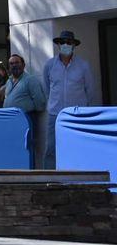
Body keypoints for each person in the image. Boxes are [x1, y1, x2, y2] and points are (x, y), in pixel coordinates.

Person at [43, 30, 99, 168]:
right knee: (51, 148)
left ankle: (78, 175)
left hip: (77, 115)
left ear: (74, 45)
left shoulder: (83, 65)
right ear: (58, 45)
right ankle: (49, 179)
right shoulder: (49, 65)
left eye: (69, 42)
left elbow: (90, 90)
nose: (65, 45)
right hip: (55, 114)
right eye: (63, 42)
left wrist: (81, 108)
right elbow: (46, 89)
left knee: (78, 145)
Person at [4, 54, 47, 168]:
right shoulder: (8, 82)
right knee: (13, 146)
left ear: (23, 65)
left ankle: (29, 173)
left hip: (26, 119)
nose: (14, 66)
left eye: (17, 62)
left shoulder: (30, 80)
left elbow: (40, 102)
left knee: (27, 146)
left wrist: (28, 110)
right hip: (10, 120)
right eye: (11, 64)